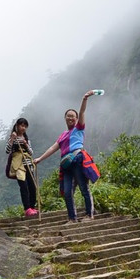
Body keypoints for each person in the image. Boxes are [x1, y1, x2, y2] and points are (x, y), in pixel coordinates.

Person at [34, 91, 96, 222]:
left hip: (78, 159)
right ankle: (72, 218)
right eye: (68, 116)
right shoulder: (63, 135)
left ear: (76, 118)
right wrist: (39, 159)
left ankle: (89, 215)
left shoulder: (78, 128)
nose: (70, 118)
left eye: (73, 116)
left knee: (84, 188)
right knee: (67, 192)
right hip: (66, 164)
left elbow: (82, 112)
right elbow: (53, 147)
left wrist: (84, 98)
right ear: (65, 118)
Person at [5, 117, 38, 217]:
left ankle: (32, 207)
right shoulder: (13, 138)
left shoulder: (26, 139)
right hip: (18, 166)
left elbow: (31, 153)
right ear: (17, 126)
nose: (23, 128)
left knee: (32, 187)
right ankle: (27, 209)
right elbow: (7, 150)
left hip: (28, 164)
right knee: (24, 187)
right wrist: (12, 139)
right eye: (21, 125)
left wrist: (26, 144)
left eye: (25, 126)